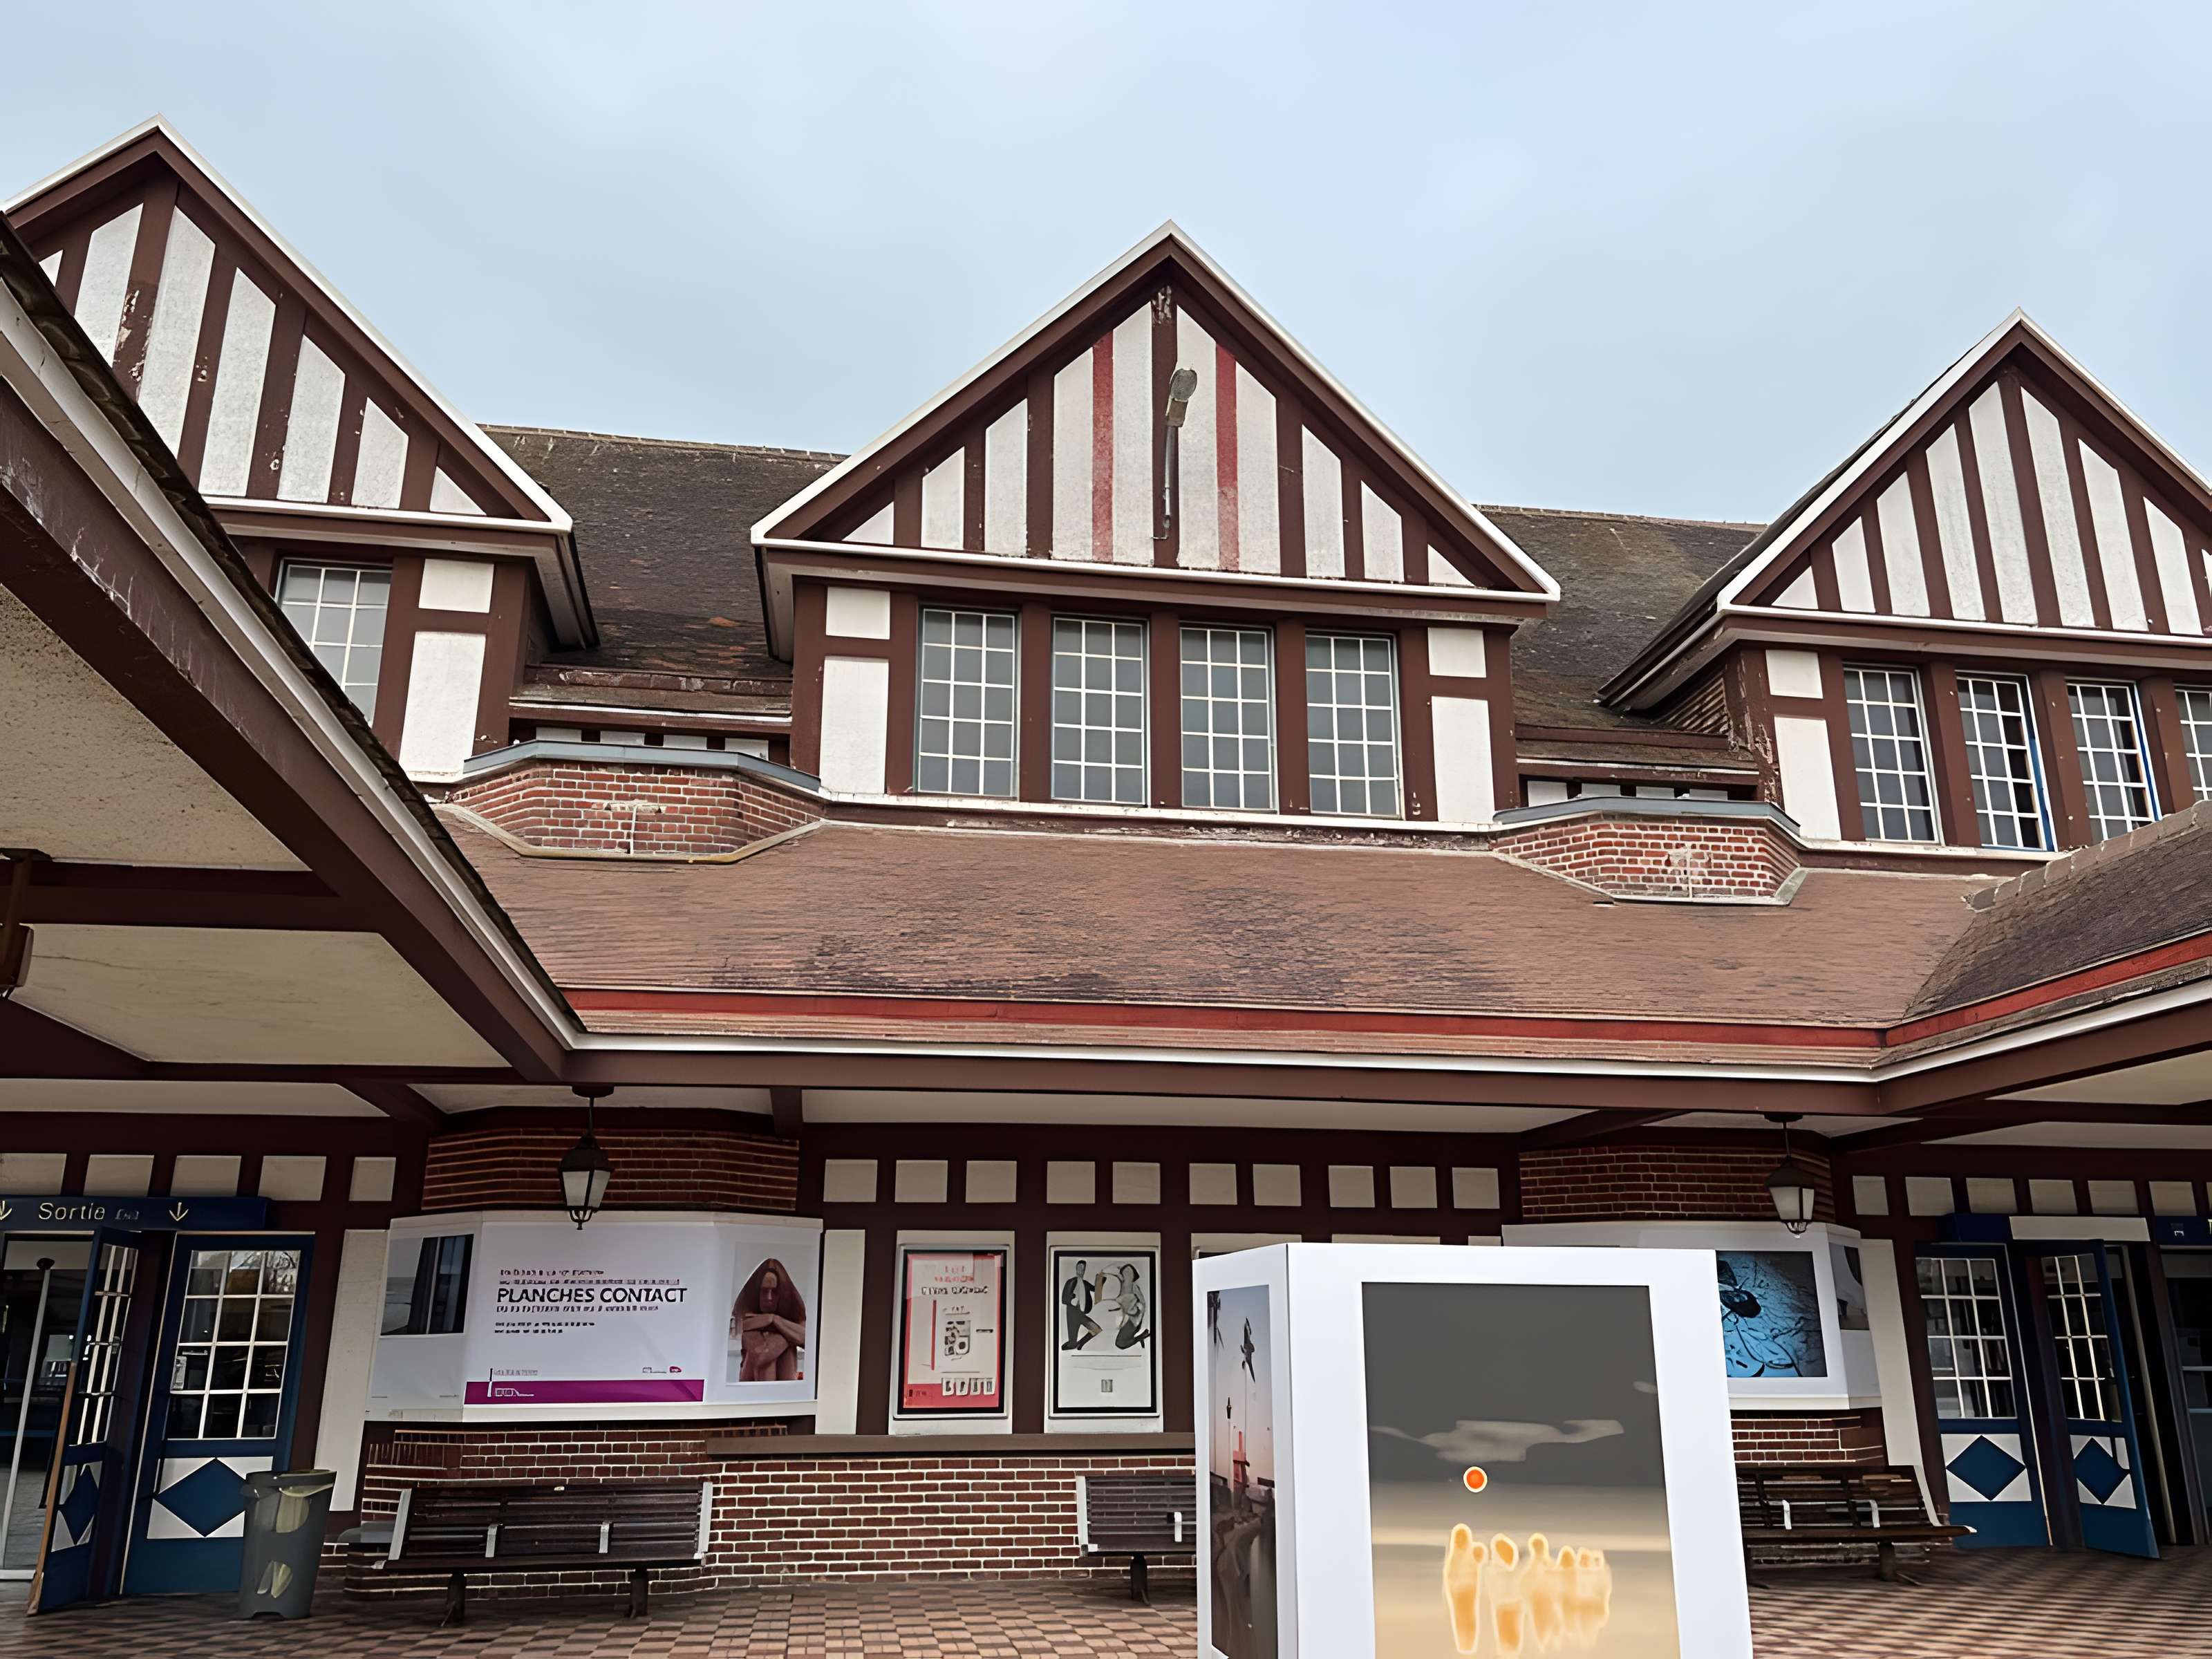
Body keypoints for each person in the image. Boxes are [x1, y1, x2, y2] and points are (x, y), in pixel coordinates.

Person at [730, 1259, 807, 1381]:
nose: (769, 1298)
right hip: (752, 1388)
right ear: (757, 1292)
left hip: (785, 1392)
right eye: (764, 1291)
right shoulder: (745, 1315)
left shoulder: (789, 1315)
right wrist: (788, 1335)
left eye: (775, 1292)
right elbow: (762, 1355)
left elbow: (810, 1341)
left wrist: (773, 1319)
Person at [1060, 1259, 1101, 1350]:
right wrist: (1072, 1298)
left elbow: (1095, 1289)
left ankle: (1081, 1344)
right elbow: (1064, 1299)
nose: (1081, 1270)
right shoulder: (1071, 1282)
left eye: (1083, 1268)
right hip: (1072, 1313)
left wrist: (1100, 1280)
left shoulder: (1085, 1283)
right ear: (1076, 1268)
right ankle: (1073, 1345)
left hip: (1082, 1313)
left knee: (1096, 1329)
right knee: (1072, 1342)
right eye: (1079, 1268)